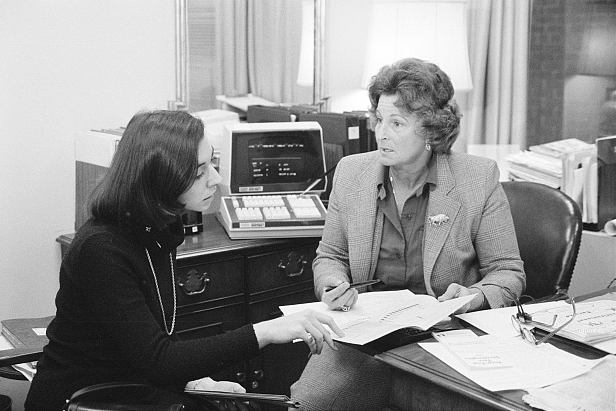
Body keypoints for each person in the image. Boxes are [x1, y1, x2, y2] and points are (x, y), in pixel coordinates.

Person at [24, 110, 343, 411]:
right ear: (161, 178)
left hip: (129, 387)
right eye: (199, 171)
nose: (216, 178)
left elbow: (148, 345)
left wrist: (197, 381)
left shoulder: (156, 230)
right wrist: (267, 331)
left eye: (212, 163)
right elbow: (158, 359)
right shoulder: (101, 248)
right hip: (84, 400)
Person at [290, 57, 526, 410]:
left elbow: (509, 273)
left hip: (443, 336)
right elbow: (331, 257)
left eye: (396, 123)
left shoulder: (477, 179)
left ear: (431, 131)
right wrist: (331, 285)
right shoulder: (352, 173)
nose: (380, 133)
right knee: (308, 403)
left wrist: (473, 296)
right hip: (364, 336)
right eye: (379, 119)